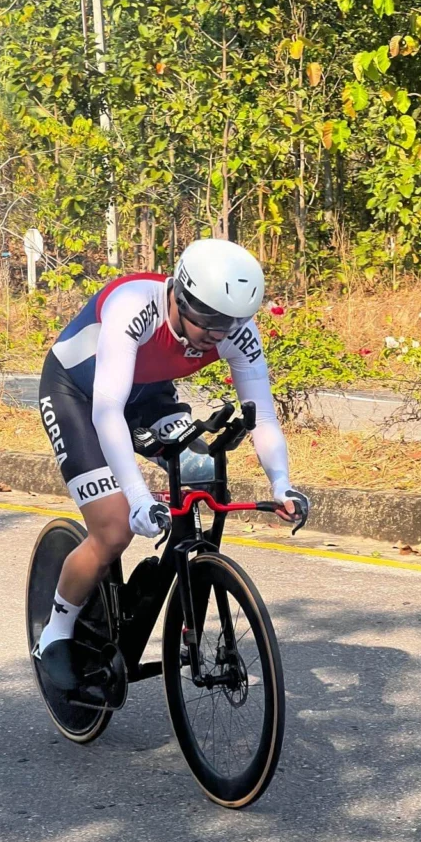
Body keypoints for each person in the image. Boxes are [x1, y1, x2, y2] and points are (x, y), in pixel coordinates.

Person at [35, 238, 308, 689]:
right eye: (208, 321)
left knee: (202, 472)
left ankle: (180, 592)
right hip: (78, 397)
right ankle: (56, 632)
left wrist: (281, 483)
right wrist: (139, 497)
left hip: (146, 394)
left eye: (231, 323)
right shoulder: (132, 306)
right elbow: (107, 412)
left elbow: (263, 412)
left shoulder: (234, 328)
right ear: (179, 295)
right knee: (115, 528)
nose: (218, 334)